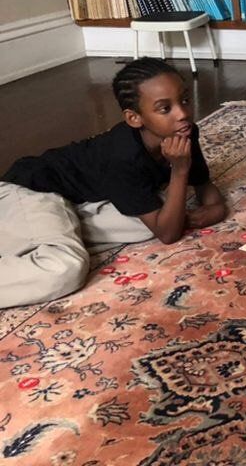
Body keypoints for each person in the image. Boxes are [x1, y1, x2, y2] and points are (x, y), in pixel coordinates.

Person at [0, 57, 227, 308]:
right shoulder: (121, 157)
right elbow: (169, 235)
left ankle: (43, 234)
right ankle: (28, 236)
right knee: (65, 268)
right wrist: (179, 170)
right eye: (165, 109)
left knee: (154, 218)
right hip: (30, 193)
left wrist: (217, 209)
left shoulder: (183, 132)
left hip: (80, 202)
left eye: (184, 100)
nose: (183, 113)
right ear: (134, 118)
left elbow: (207, 192)